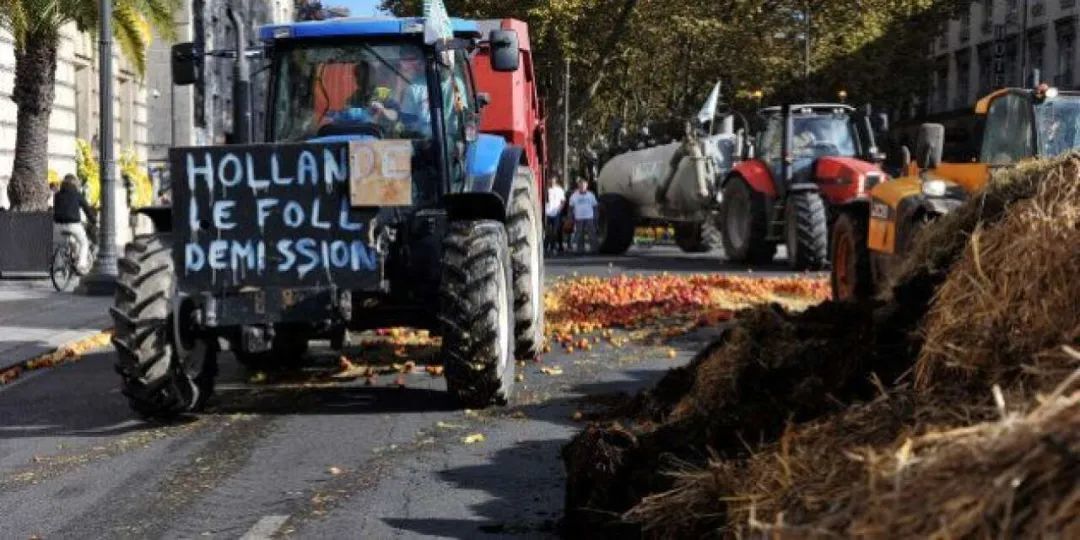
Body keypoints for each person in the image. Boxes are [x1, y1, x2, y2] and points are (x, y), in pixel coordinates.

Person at [52, 174, 96, 274]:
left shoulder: (57, 195)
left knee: (69, 242)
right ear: (74, 183)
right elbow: (87, 209)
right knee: (84, 243)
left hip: (58, 225)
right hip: (73, 224)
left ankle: (61, 265)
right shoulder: (77, 194)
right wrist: (93, 220)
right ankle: (81, 265)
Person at [568, 179, 598, 254]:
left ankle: (594, 249)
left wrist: (596, 216)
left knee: (592, 233)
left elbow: (595, 206)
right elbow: (571, 207)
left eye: (584, 185)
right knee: (579, 234)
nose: (582, 186)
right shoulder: (574, 195)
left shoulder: (591, 195)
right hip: (579, 217)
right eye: (581, 185)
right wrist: (570, 217)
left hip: (589, 217)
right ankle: (580, 250)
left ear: (586, 186)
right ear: (578, 186)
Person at [544, 177, 566, 254]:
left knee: (555, 231)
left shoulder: (560, 190)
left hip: (556, 213)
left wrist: (559, 210)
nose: (552, 183)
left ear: (555, 181)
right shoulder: (546, 190)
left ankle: (553, 248)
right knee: (547, 232)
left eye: (553, 181)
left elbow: (563, 201)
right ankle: (545, 248)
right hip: (547, 213)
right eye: (550, 181)